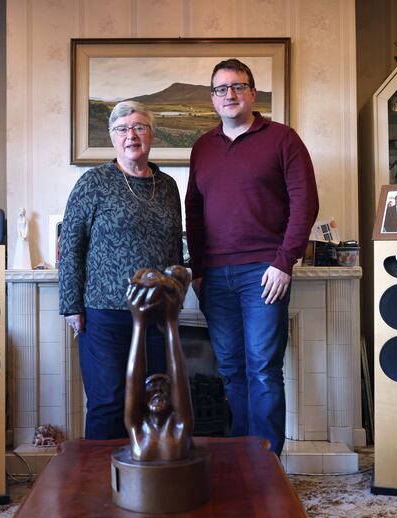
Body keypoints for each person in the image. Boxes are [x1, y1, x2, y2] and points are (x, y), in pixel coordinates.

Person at [185, 58, 318, 456]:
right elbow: (193, 211)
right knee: (230, 371)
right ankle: (240, 460)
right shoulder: (202, 147)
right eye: (221, 89)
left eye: (237, 86)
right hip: (215, 278)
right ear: (212, 99)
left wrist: (283, 261)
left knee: (262, 370)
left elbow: (305, 204)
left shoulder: (283, 139)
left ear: (252, 93)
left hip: (264, 272)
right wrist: (197, 269)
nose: (230, 95)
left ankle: (266, 463)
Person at [58, 101, 183, 440]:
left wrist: (176, 301)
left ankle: (147, 480)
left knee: (156, 398)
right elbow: (70, 247)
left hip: (158, 315)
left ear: (152, 135)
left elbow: (175, 250)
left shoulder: (168, 186)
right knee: (108, 401)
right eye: (122, 129)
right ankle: (97, 482)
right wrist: (71, 306)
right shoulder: (93, 183)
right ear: (112, 137)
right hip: (105, 314)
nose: (131, 135)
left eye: (140, 127)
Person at [124, 266, 193, 461]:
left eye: (164, 388)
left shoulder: (181, 427)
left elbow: (180, 382)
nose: (158, 392)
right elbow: (133, 385)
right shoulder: (137, 428)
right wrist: (139, 324)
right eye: (152, 388)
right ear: (142, 398)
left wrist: (171, 322)